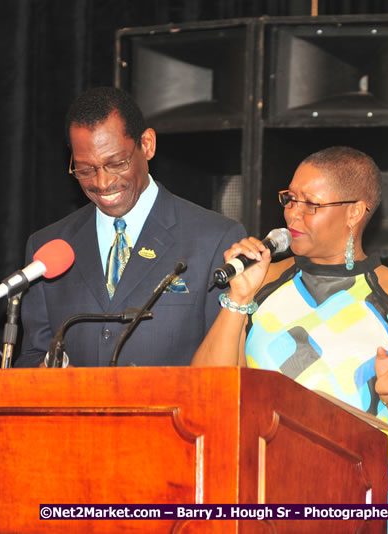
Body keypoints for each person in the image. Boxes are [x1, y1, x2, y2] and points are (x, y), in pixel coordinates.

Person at [192, 147, 388, 534]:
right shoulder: (260, 283)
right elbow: (205, 394)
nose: (292, 214)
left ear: (355, 211)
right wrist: (238, 300)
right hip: (260, 503)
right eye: (290, 199)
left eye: (311, 204)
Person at [16, 87, 246, 367]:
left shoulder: (214, 239)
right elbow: (32, 356)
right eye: (85, 169)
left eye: (116, 163)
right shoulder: (48, 247)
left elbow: (223, 366)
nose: (102, 183)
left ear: (147, 144)